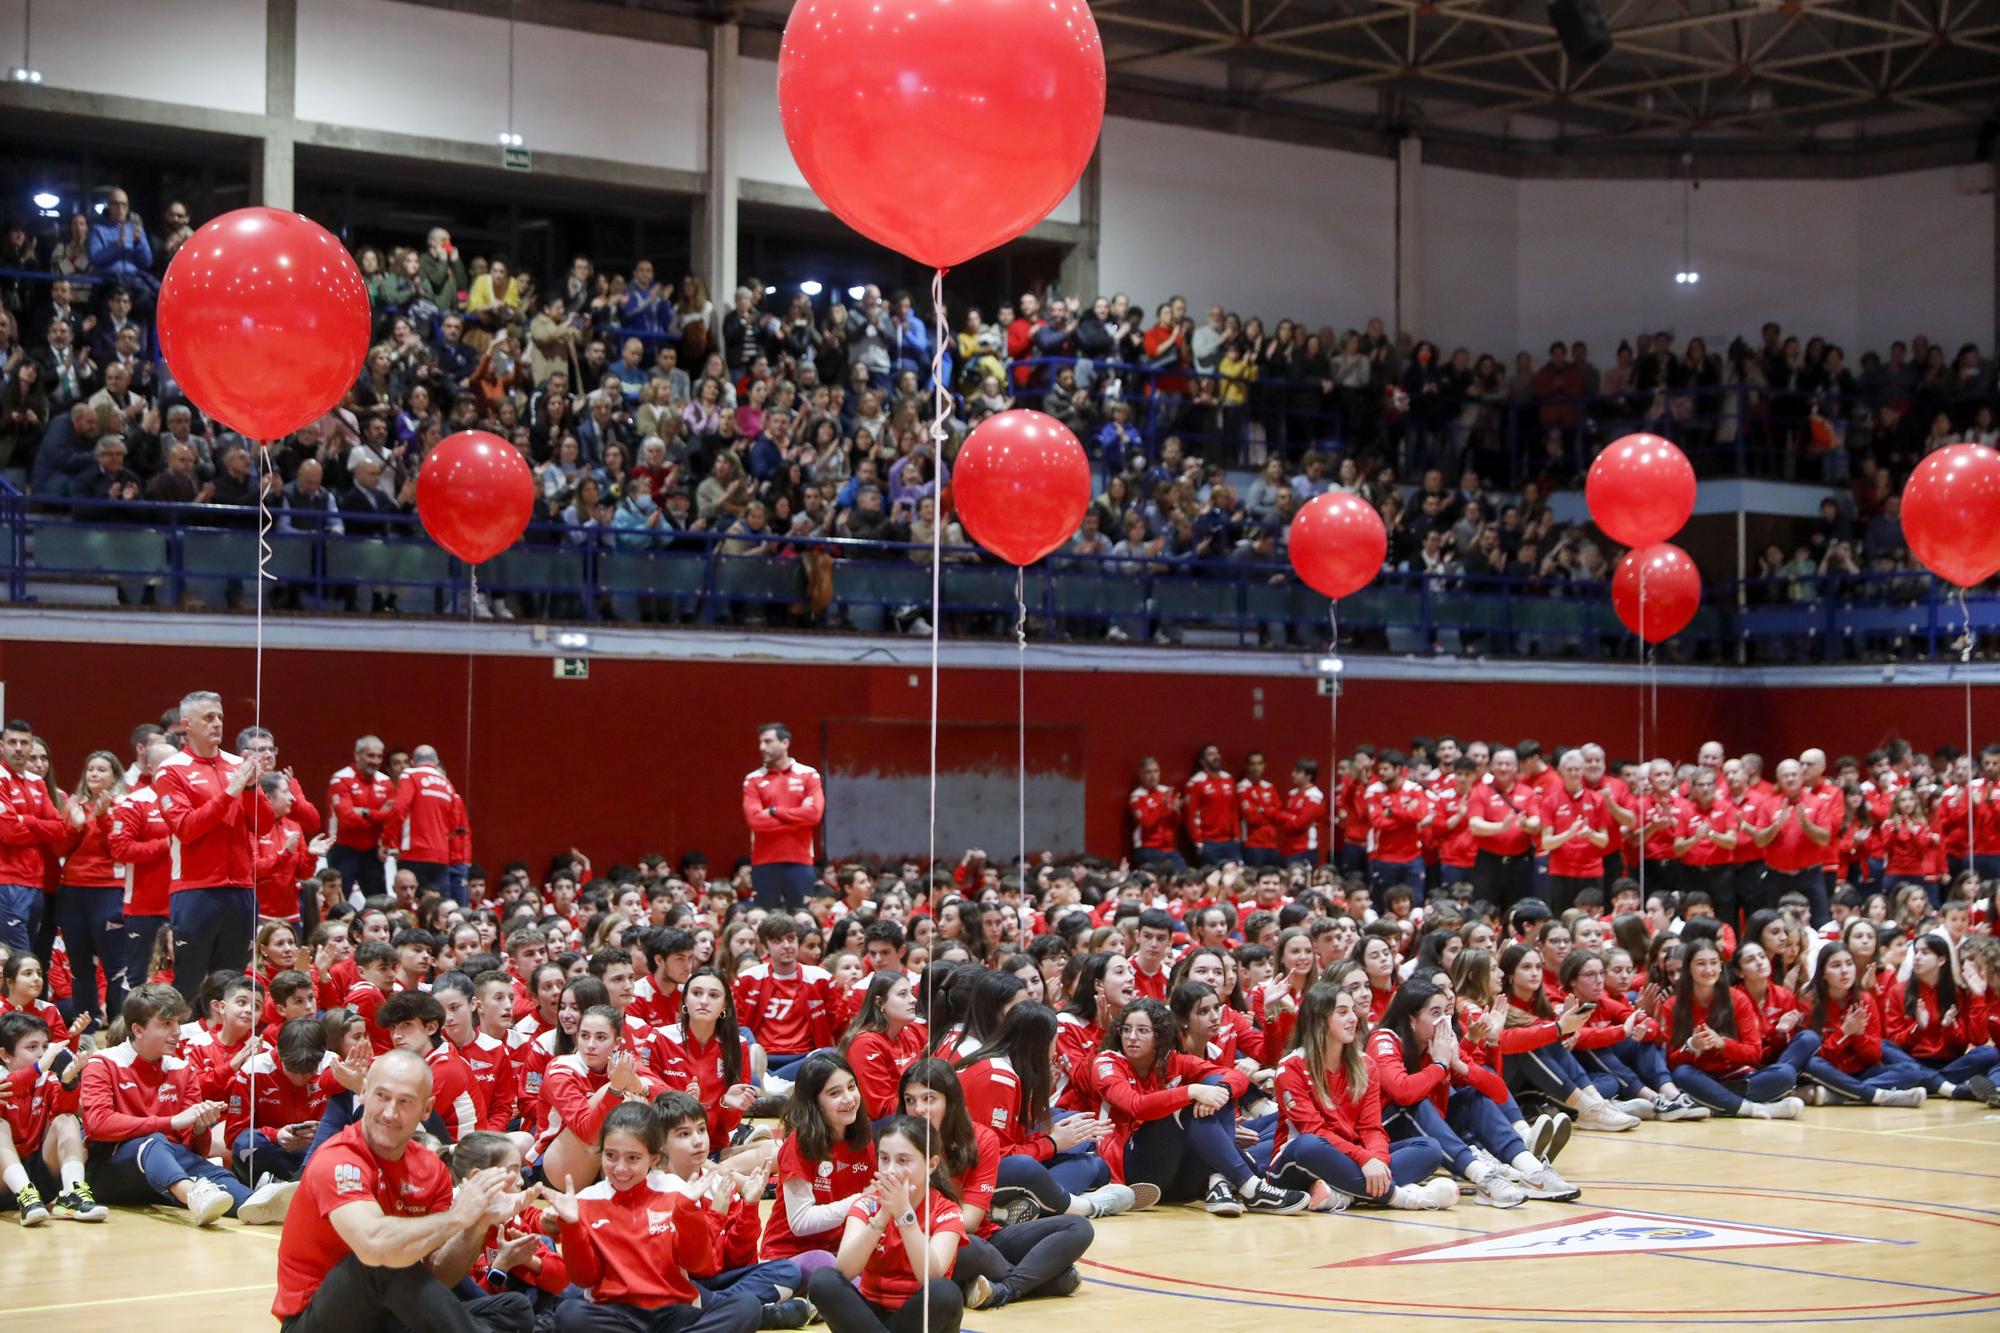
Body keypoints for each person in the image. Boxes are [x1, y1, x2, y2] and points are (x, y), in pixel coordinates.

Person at [273, 1048, 536, 1332]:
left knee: (512, 1309)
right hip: (318, 1321)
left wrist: (478, 1223)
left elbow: (440, 1275)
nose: (389, 1112)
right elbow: (373, 1246)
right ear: (363, 1093)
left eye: (405, 1102)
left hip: (387, 1317)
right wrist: (457, 1217)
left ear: (426, 1108)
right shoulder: (339, 1158)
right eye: (381, 1096)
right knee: (382, 1261)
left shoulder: (430, 1168)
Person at [80, 984, 295, 1226]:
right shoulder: (102, 1063)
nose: (178, 1033)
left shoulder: (181, 1069)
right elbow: (98, 1123)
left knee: (210, 1171)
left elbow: (194, 1149)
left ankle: (260, 1204)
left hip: (165, 1172)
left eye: (178, 1023)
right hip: (111, 1174)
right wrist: (171, 1122)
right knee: (155, 1141)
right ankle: (194, 1194)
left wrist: (200, 1129)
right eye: (166, 1024)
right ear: (138, 1029)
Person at [541, 1101, 763, 1333]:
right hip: (615, 1313)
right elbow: (585, 1279)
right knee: (570, 1314)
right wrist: (571, 1227)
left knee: (747, 1306)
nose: (620, 1168)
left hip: (676, 1312)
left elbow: (699, 1264)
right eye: (611, 1156)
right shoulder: (586, 1200)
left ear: (654, 1158)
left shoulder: (675, 1189)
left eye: (633, 1158)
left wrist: (688, 1211)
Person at [899, 1058, 1093, 1310]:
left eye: (929, 1099)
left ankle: (1004, 1288)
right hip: (928, 1245)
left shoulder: (981, 1138)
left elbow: (970, 1220)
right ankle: (1039, 1280)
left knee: (1077, 1227)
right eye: (910, 1100)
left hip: (983, 1237)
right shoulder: (896, 1140)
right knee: (969, 1248)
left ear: (950, 1100)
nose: (918, 1109)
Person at [1092, 997, 1306, 1215]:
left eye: (1143, 1030)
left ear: (1160, 1035)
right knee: (1189, 1105)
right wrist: (1192, 1091)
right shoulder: (1107, 1062)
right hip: (1136, 1171)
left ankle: (1220, 1181)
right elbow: (1136, 1105)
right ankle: (1249, 1185)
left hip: (1181, 1177)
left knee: (1215, 1089)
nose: (1132, 1037)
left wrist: (1221, 1091)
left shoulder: (1173, 1061)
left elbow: (1234, 1077)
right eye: (1126, 1029)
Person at [1270, 981, 1454, 1212]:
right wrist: (1365, 1160)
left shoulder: (1365, 1064)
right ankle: (1402, 1197)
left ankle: (1343, 1195)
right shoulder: (1291, 1067)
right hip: (1297, 1164)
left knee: (1429, 1148)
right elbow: (1314, 1130)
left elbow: (1371, 1128)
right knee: (1308, 1145)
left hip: (1352, 1157)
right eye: (1342, 1012)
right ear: (1318, 1019)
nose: (1353, 1018)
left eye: (1353, 1011)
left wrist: (1377, 1160)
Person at [805, 1114, 966, 1333]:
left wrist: (903, 1213)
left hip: (920, 1317)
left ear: (931, 1164)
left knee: (946, 1292)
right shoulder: (866, 1205)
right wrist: (883, 1215)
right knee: (824, 1280)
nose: (889, 1169)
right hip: (870, 1318)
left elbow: (930, 1276)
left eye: (902, 1161)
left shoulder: (947, 1210)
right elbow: (846, 1270)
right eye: (884, 1158)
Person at [151, 692, 267, 994]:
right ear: (187, 724)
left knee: (230, 984)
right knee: (189, 981)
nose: (217, 724)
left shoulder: (236, 765)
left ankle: (222, 1042)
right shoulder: (171, 770)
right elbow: (187, 828)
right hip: (195, 889)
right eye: (209, 718)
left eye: (220, 717)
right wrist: (232, 790)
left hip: (241, 887)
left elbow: (264, 825)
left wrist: (252, 787)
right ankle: (183, 1041)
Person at [760, 1052, 876, 1281]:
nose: (849, 1098)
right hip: (789, 1256)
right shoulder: (799, 1144)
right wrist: (859, 1201)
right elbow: (801, 1222)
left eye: (851, 1087)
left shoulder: (864, 1141)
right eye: (835, 1093)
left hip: (841, 1250)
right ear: (814, 1103)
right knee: (828, 1266)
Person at [0, 718, 65, 954]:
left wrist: (25, 820)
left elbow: (59, 830)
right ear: (1, 746)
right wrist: (41, 828)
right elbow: (8, 833)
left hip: (36, 883)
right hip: (7, 881)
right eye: (12, 742)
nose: (18, 748)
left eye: (24, 743)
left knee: (31, 956)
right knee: (18, 957)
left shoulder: (37, 783)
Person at [741, 723, 822, 912]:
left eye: (768, 742)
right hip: (764, 863)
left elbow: (814, 814)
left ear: (785, 743)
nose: (762, 747)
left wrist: (774, 811)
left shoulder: (808, 775)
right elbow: (754, 821)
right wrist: (796, 819)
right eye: (761, 743)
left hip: (800, 862)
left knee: (802, 919)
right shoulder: (753, 779)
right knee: (767, 922)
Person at [328, 735, 397, 900]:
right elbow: (347, 819)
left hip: (373, 852)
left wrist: (365, 812)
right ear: (357, 755)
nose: (375, 761)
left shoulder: (386, 782)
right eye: (370, 755)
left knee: (380, 902)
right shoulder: (341, 779)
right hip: (344, 849)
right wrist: (378, 816)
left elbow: (391, 817)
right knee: (338, 901)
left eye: (379, 756)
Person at [393, 746, 466, 900]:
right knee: (441, 906)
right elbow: (454, 823)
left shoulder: (409, 775)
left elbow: (398, 809)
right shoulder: (447, 783)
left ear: (412, 762)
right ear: (436, 762)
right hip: (441, 854)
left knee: (410, 901)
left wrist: (388, 841)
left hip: (413, 852)